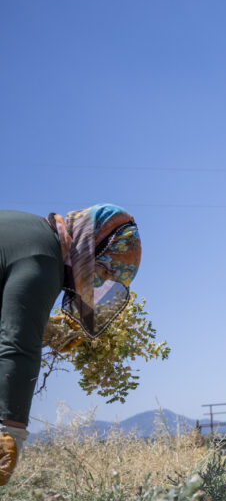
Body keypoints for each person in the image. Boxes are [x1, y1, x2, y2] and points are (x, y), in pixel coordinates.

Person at [0, 205, 142, 485]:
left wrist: (43, 328)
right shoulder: (43, 257)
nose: (97, 285)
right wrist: (9, 433)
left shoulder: (33, 233)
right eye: (102, 271)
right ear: (91, 245)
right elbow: (18, 347)